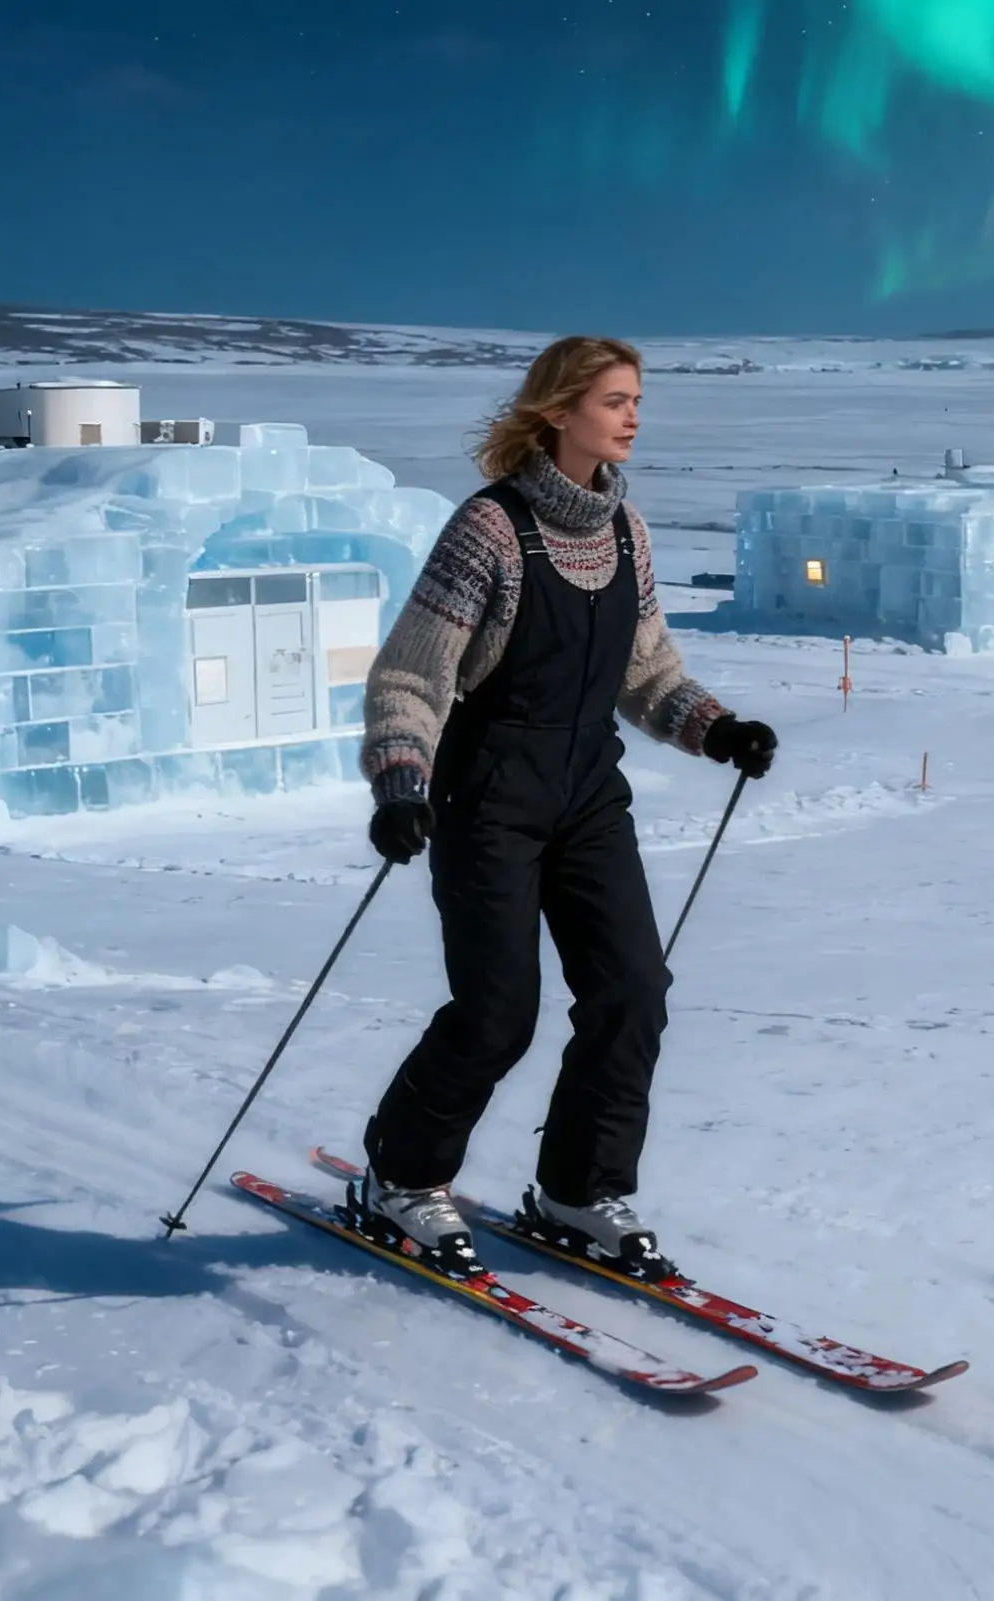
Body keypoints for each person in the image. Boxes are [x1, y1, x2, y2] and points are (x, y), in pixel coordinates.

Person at [356, 335, 778, 1279]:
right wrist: (398, 783)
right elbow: (412, 675)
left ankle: (578, 1189)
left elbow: (646, 671)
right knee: (498, 1011)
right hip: (488, 796)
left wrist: (717, 730)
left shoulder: (626, 530)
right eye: (615, 400)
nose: (633, 416)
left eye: (636, 399)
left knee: (633, 991)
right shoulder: (490, 530)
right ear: (558, 411)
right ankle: (400, 1173)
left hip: (589, 792)